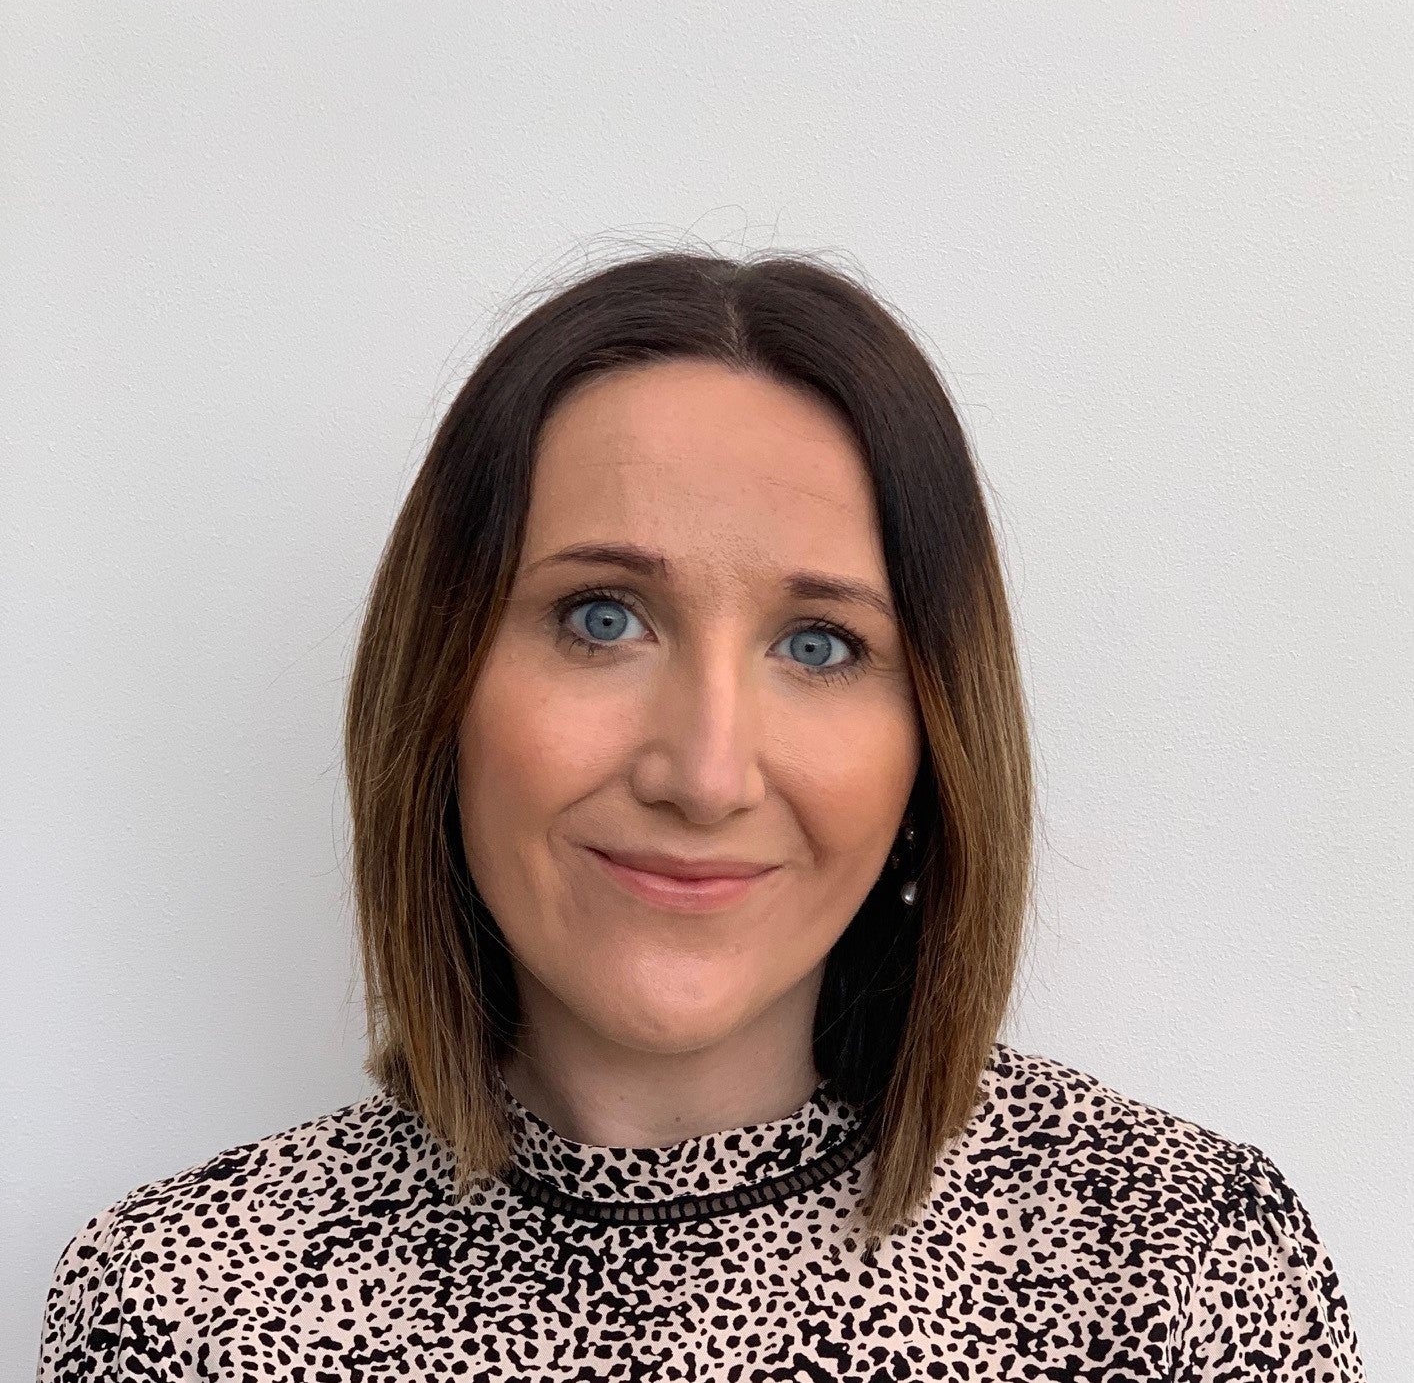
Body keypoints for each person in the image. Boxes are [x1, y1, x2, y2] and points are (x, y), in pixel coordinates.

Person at [35, 249, 1365, 1380]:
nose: (707, 769)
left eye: (821, 643)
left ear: (933, 746)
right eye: (600, 619)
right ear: (436, 684)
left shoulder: (1173, 1265)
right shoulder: (184, 1310)